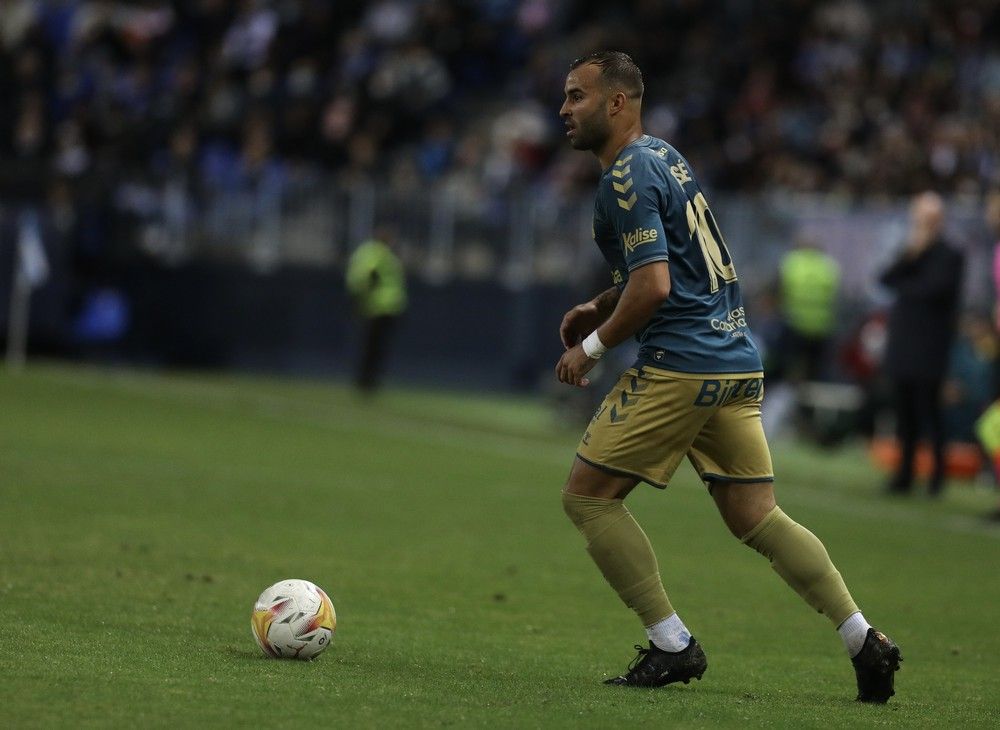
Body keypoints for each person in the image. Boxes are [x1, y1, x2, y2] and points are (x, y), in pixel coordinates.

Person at [555, 51, 900, 701]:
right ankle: (863, 638)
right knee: (756, 515)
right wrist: (600, 303)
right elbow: (675, 264)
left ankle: (672, 644)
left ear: (618, 103)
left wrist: (594, 346)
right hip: (736, 360)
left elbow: (655, 286)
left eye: (577, 96)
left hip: (680, 365)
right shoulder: (666, 157)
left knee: (589, 497)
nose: (564, 109)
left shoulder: (624, 178)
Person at [879, 192, 964, 496]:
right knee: (905, 412)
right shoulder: (912, 252)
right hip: (904, 342)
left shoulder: (950, 254)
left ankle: (936, 478)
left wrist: (908, 282)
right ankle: (904, 474)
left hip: (930, 345)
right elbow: (885, 278)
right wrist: (911, 256)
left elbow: (933, 291)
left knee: (931, 411)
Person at [345, 227, 407, 392]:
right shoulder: (378, 253)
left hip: (380, 306)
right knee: (373, 347)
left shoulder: (373, 252)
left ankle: (367, 380)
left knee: (374, 347)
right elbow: (368, 276)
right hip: (379, 306)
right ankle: (367, 381)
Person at [778, 237, 841, 382]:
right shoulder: (829, 266)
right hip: (822, 326)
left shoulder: (791, 263)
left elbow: (779, 290)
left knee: (791, 363)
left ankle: (791, 389)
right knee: (816, 367)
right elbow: (836, 297)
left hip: (794, 323)